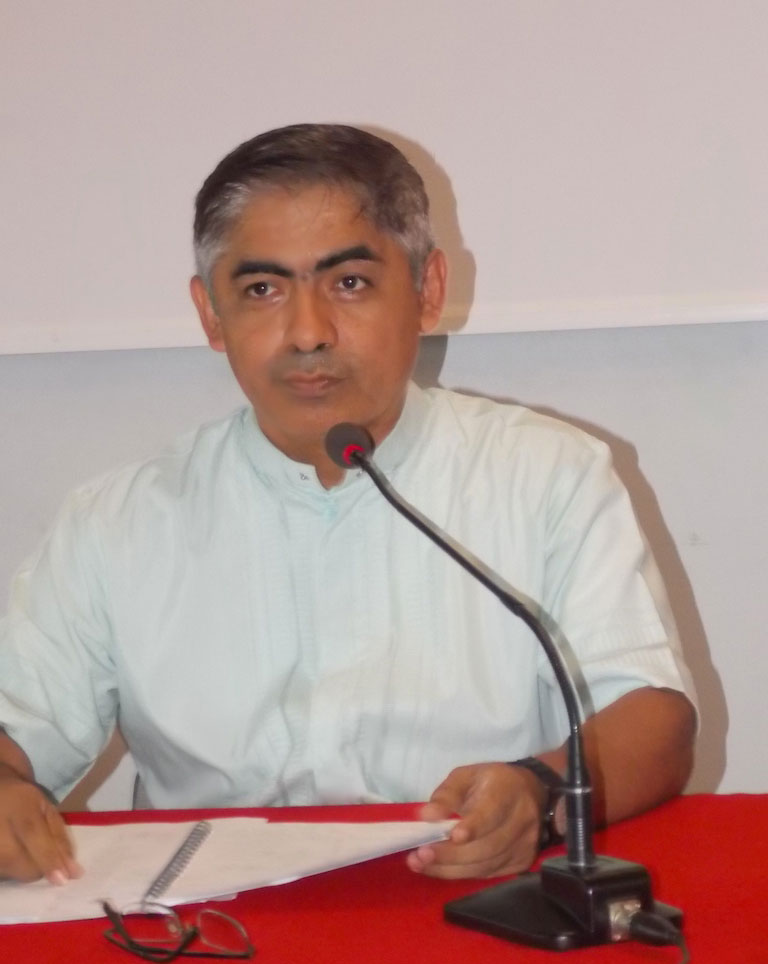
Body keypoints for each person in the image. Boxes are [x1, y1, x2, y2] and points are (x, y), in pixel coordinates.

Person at [0, 124, 696, 886]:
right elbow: (15, 726)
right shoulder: (117, 524)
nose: (308, 333)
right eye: (262, 290)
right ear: (210, 314)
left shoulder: (546, 476)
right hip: (206, 921)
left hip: (465, 902)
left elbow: (654, 719)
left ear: (428, 289)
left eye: (350, 283)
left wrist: (540, 789)